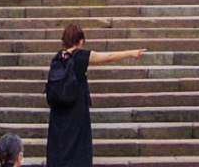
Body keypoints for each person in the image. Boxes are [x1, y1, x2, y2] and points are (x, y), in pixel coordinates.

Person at [45, 22, 145, 167]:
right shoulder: (80, 55)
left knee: (60, 144)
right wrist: (131, 53)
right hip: (76, 108)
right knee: (78, 145)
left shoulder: (58, 58)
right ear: (81, 40)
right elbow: (109, 56)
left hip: (59, 111)